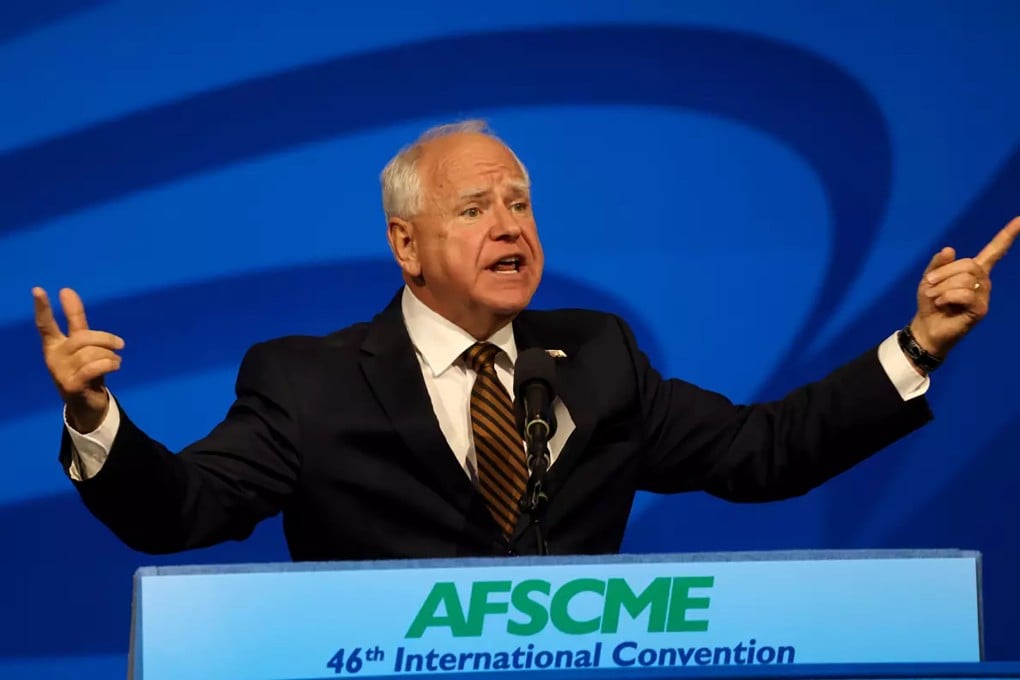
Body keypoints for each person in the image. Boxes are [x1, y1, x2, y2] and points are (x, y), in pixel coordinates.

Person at [33, 120, 1019, 560]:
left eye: (521, 201)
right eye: (476, 207)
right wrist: (96, 419)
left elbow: (766, 452)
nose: (511, 225)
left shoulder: (596, 355)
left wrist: (919, 343)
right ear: (406, 246)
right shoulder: (306, 379)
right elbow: (184, 511)